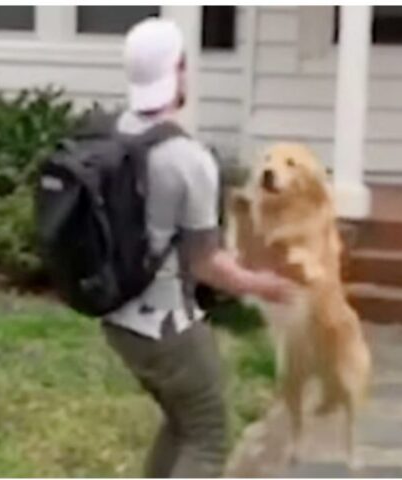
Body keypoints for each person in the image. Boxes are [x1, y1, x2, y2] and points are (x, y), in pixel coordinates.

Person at [101, 17, 294, 478]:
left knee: (181, 421)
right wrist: (263, 284)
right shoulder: (188, 159)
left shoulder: (114, 134)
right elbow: (205, 263)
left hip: (118, 319)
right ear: (179, 69)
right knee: (207, 435)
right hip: (167, 327)